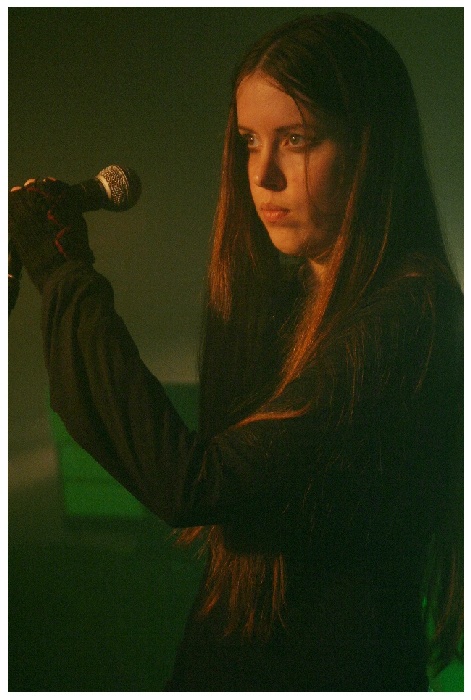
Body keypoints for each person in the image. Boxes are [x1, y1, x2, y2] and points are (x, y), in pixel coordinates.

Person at [8, 12, 463, 692]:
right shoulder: (291, 298)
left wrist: (66, 274)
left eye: (297, 139)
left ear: (371, 148)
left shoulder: (411, 314)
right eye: (249, 142)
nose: (263, 174)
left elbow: (192, 484)